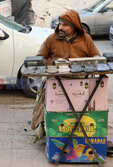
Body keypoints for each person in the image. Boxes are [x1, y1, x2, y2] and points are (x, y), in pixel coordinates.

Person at [31, 9, 100, 137]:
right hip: (57, 81)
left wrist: (87, 63)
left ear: (74, 27)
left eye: (65, 25)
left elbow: (97, 57)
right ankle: (48, 130)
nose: (60, 27)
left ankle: (81, 130)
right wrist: (54, 63)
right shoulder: (52, 39)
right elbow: (40, 58)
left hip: (80, 82)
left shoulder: (86, 39)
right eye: (60, 24)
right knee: (46, 101)